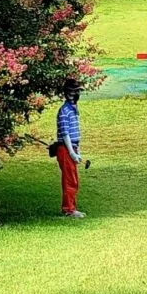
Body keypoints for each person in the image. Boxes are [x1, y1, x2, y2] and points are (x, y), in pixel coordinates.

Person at [56, 78, 85, 218]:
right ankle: (69, 210)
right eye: (75, 91)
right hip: (66, 149)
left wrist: (77, 150)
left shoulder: (73, 109)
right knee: (69, 180)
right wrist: (72, 153)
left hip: (72, 147)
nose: (77, 94)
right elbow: (65, 134)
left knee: (73, 179)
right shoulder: (64, 111)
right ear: (69, 93)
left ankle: (71, 208)